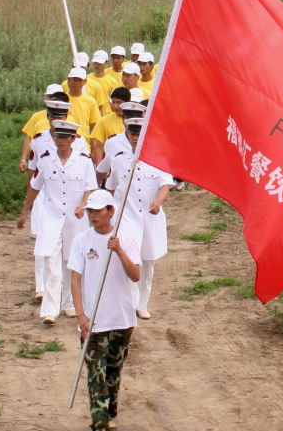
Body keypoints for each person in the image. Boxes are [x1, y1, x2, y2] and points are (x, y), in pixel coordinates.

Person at [68, 188, 141, 431]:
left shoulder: (127, 240)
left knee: (113, 372)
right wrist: (81, 314)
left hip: (122, 319)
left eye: (98, 211)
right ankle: (98, 424)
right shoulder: (81, 241)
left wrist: (119, 251)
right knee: (94, 373)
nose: (93, 215)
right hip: (94, 321)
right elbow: (76, 280)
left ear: (111, 212)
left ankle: (109, 412)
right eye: (89, 211)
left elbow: (135, 276)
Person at [18, 120, 97, 325]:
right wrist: (24, 212)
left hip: (75, 220)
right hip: (51, 218)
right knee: (51, 263)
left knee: (71, 263)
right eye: (57, 137)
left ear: (73, 139)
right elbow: (35, 188)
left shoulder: (84, 161)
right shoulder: (46, 160)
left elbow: (90, 187)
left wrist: (84, 204)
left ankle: (69, 304)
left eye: (65, 137)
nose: (60, 141)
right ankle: (50, 310)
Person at [106, 116, 173, 320]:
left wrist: (158, 202)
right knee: (128, 258)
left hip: (150, 219)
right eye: (133, 133)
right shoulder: (119, 159)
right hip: (126, 216)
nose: (136, 138)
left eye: (140, 134)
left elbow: (165, 186)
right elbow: (110, 187)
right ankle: (128, 302)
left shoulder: (159, 157)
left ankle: (142, 303)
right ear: (128, 134)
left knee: (148, 261)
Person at [20, 84, 68, 172]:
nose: (52, 99)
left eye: (56, 97)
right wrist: (23, 159)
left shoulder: (69, 119)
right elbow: (29, 138)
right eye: (50, 96)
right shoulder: (36, 117)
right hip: (41, 157)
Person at [90, 87, 131, 167]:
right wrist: (99, 169)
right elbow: (98, 147)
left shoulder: (134, 121)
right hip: (111, 169)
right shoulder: (103, 121)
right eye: (113, 102)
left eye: (119, 103)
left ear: (128, 102)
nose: (115, 106)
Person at [63, 67, 102, 137]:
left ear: (85, 81)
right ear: (68, 80)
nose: (77, 83)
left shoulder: (90, 101)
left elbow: (94, 125)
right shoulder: (62, 100)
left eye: (80, 80)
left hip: (83, 142)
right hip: (64, 140)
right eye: (74, 79)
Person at [89, 51, 119, 117]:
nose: (97, 65)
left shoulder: (112, 82)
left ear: (106, 63)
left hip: (107, 115)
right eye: (95, 63)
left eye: (100, 63)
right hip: (90, 115)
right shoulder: (86, 79)